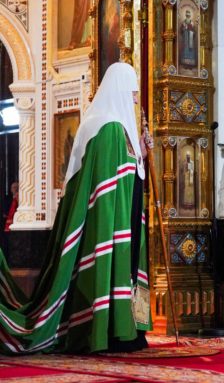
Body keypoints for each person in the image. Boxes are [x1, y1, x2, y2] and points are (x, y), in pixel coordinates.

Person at [0, 62, 152, 353]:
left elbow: (126, 172)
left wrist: (141, 154)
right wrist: (137, 160)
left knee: (128, 268)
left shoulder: (107, 125)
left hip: (119, 215)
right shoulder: (109, 128)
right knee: (119, 267)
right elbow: (110, 183)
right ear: (120, 88)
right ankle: (114, 332)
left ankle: (128, 327)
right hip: (111, 219)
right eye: (132, 90)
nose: (136, 96)